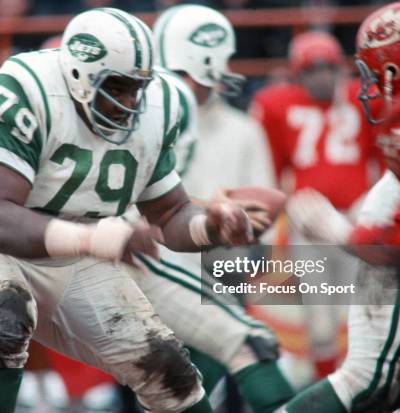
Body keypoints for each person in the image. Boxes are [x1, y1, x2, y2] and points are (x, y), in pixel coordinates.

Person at [0, 8, 255, 413]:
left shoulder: (155, 110)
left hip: (69, 251)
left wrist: (210, 226)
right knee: (3, 312)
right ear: (78, 76)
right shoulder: (26, 89)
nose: (130, 101)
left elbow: (170, 214)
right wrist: (91, 238)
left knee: (168, 369)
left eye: (137, 87)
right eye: (117, 87)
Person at [124, 5, 294, 413]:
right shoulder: (139, 122)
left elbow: (260, 221)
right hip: (147, 273)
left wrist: (233, 222)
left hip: (217, 270)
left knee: (241, 355)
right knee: (148, 386)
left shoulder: (242, 130)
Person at [284, 1, 400, 411]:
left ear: (395, 71)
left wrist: (337, 230)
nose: (369, 86)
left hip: (373, 226)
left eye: (375, 74)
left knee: (368, 374)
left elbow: (398, 243)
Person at [249, 30, 380, 379]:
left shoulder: (361, 96)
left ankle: (370, 388)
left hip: (357, 218)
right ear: (297, 74)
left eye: (327, 68)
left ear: (340, 68)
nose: (321, 76)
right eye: (311, 70)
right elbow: (273, 170)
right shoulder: (276, 104)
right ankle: (329, 391)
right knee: (321, 323)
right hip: (308, 221)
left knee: (366, 315)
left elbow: (382, 159)